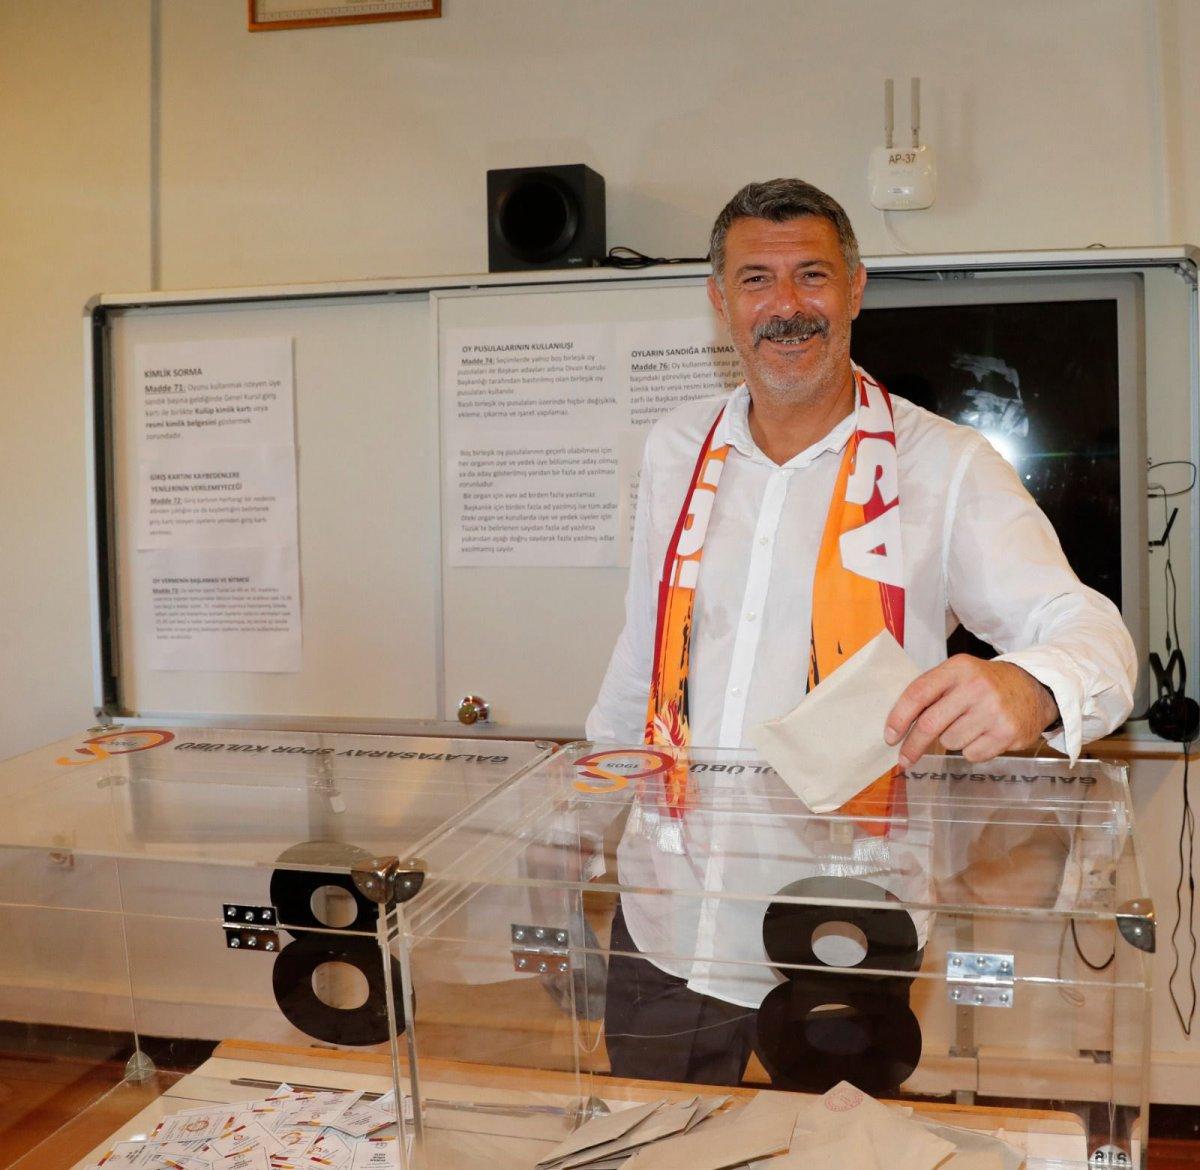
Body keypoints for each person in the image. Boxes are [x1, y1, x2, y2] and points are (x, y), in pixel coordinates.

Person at [584, 178, 1137, 1086]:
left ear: (855, 289)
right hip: (665, 916)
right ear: (720, 300)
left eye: (812, 275)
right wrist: (578, 812)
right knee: (650, 1139)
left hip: (844, 926)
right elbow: (646, 646)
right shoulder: (675, 448)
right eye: (756, 279)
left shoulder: (945, 466)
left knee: (835, 1146)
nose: (787, 305)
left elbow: (1089, 631)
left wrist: (1029, 683)